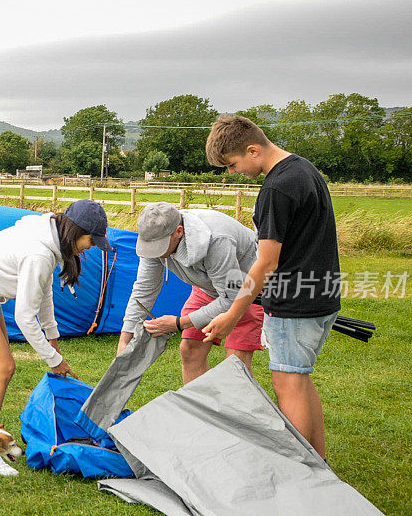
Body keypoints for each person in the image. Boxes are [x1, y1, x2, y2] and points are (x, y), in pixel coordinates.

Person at [0, 199, 112, 474]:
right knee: (2, 367)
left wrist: (53, 338)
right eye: (91, 240)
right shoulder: (40, 253)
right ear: (77, 232)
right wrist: (53, 360)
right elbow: (24, 317)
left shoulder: (49, 238)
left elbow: (43, 293)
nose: (91, 246)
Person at [202, 115, 340, 458]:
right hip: (322, 296)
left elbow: (266, 262)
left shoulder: (276, 188)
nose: (233, 172)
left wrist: (233, 314)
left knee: (287, 384)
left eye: (233, 164)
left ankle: (302, 470)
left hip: (294, 303)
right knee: (299, 380)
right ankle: (318, 461)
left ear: (253, 150)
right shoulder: (304, 169)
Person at [118, 202, 264, 383]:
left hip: (246, 290)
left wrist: (179, 323)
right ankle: (200, 409)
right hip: (207, 289)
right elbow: (144, 289)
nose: (155, 252)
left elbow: (231, 298)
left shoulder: (218, 239)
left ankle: (239, 410)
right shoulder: (155, 240)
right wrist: (126, 337)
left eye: (160, 245)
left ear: (179, 231)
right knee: (190, 349)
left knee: (235, 365)